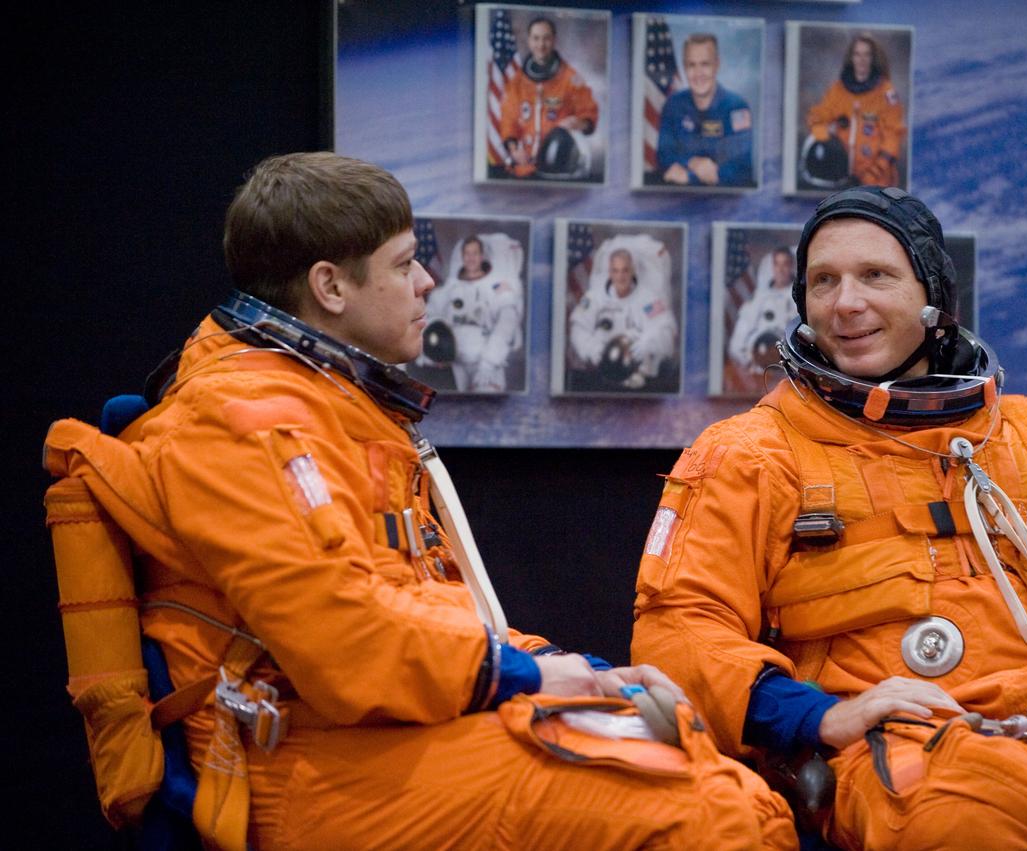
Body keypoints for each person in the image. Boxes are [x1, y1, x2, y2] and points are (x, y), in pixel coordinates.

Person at [43, 153, 795, 850]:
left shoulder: (330, 408)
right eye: (405, 264)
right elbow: (344, 641)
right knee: (715, 815)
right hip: (293, 761)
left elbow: (424, 607)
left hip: (370, 727)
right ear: (331, 287)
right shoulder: (240, 424)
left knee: (719, 771)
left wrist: (578, 668)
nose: (429, 281)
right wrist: (532, 678)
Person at [632, 186, 1027, 849]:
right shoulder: (749, 455)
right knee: (965, 817)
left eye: (875, 276)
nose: (845, 302)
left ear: (934, 296)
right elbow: (680, 631)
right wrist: (824, 715)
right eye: (822, 281)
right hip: (912, 753)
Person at [417, 234, 523, 393]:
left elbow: (506, 327)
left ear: (482, 256)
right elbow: (429, 320)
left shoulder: (497, 289)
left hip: (485, 364)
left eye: (475, 253)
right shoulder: (449, 289)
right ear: (462, 256)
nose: (471, 258)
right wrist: (434, 352)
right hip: (453, 364)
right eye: (467, 254)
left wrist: (489, 362)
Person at [499, 17, 599, 179]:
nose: (541, 45)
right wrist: (514, 149)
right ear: (529, 41)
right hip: (522, 168)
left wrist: (577, 123)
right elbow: (508, 120)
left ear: (554, 40)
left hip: (556, 168)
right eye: (536, 38)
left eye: (546, 38)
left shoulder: (571, 79)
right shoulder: (516, 81)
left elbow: (589, 112)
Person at [569, 245, 678, 391]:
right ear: (610, 272)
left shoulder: (648, 300)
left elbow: (666, 329)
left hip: (639, 378)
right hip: (601, 376)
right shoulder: (594, 298)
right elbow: (578, 328)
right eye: (616, 271)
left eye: (625, 270)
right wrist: (591, 348)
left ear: (632, 271)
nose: (620, 277)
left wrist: (649, 343)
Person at [805, 33, 905, 188]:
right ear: (851, 58)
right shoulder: (838, 90)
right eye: (857, 54)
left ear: (874, 58)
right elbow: (817, 116)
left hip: (876, 179)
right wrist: (824, 138)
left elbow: (893, 136)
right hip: (842, 177)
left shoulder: (885, 93)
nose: (862, 60)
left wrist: (875, 172)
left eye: (867, 55)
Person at [655, 33, 753, 188]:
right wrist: (693, 162)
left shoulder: (736, 107)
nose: (698, 73)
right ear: (684, 67)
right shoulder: (673, 104)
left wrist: (690, 178)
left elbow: (741, 170)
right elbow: (664, 154)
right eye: (691, 65)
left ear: (717, 65)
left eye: (705, 64)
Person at [728, 247, 796, 375]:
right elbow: (737, 344)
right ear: (772, 268)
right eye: (777, 264)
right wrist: (753, 361)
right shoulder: (758, 300)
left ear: (791, 267)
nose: (780, 270)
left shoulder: (799, 301)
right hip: (760, 372)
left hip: (789, 372)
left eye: (785, 264)